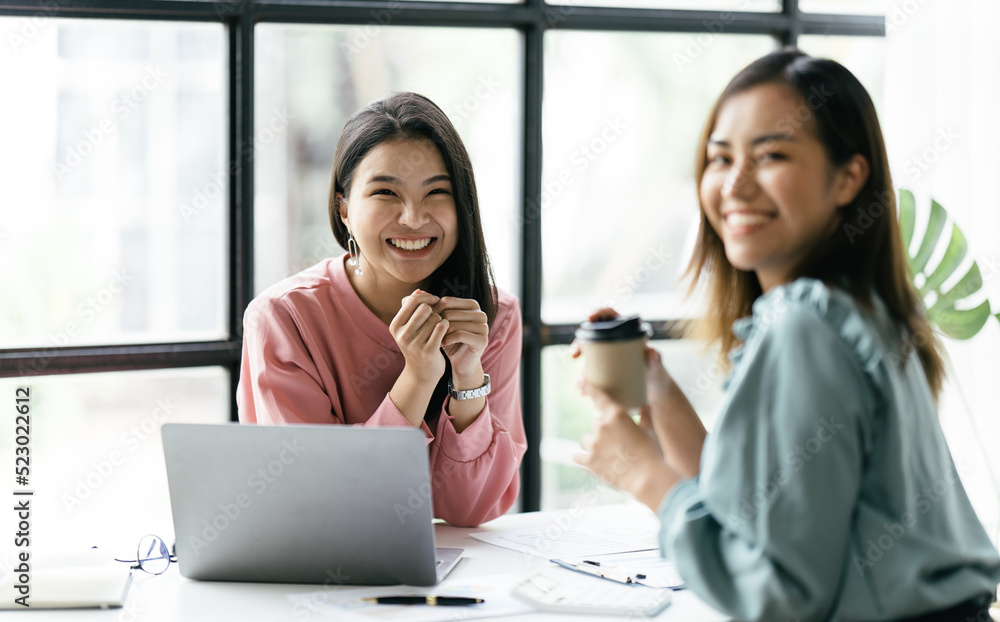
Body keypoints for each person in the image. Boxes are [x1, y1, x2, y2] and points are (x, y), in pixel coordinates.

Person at [572, 49, 1000, 620]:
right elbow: (762, 512)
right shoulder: (853, 310)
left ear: (849, 177)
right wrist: (657, 389)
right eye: (720, 159)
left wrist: (644, 474)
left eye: (771, 155)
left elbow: (780, 594)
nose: (735, 185)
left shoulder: (805, 325)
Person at [237, 92, 526, 528]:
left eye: (437, 192)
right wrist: (418, 378)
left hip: (445, 579)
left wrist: (467, 378)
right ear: (344, 209)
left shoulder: (493, 316)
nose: (413, 217)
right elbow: (322, 505)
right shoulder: (283, 321)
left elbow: (470, 510)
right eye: (386, 192)